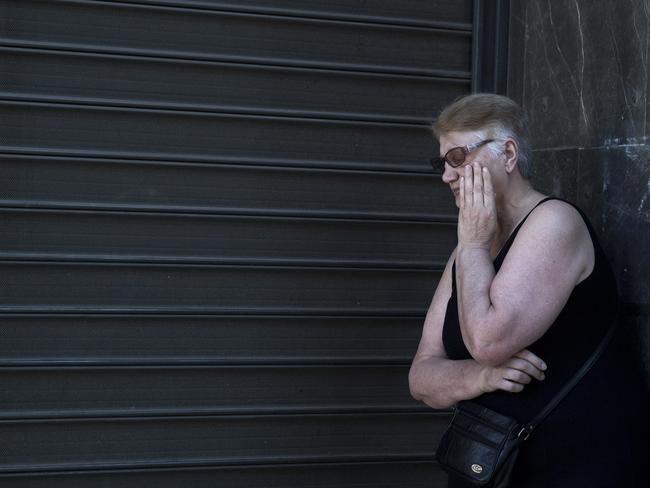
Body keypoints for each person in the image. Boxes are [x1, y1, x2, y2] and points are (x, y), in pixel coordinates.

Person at [408, 93, 639, 487]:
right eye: (442, 162)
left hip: (571, 465)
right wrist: (480, 378)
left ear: (508, 155)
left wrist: (475, 244)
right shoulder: (469, 247)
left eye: (458, 158)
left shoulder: (554, 223)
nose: (447, 175)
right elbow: (421, 377)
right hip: (492, 468)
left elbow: (487, 341)